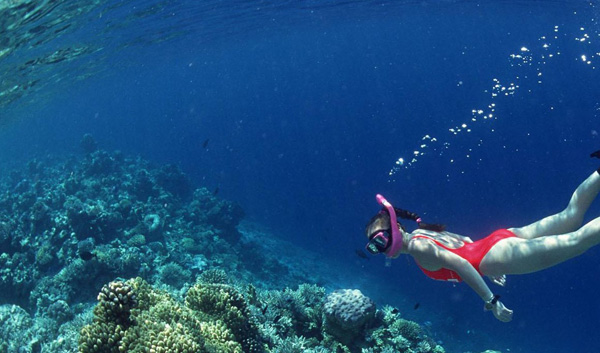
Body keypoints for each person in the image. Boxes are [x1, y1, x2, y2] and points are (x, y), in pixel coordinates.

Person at [365, 155, 600, 322]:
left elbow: (461, 263)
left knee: (577, 242)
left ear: (395, 228)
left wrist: (491, 301)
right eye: (375, 246)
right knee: (569, 217)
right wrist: (489, 264)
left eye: (380, 240)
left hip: (496, 256)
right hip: (497, 241)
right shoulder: (419, 232)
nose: (381, 248)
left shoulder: (416, 247)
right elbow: (464, 240)